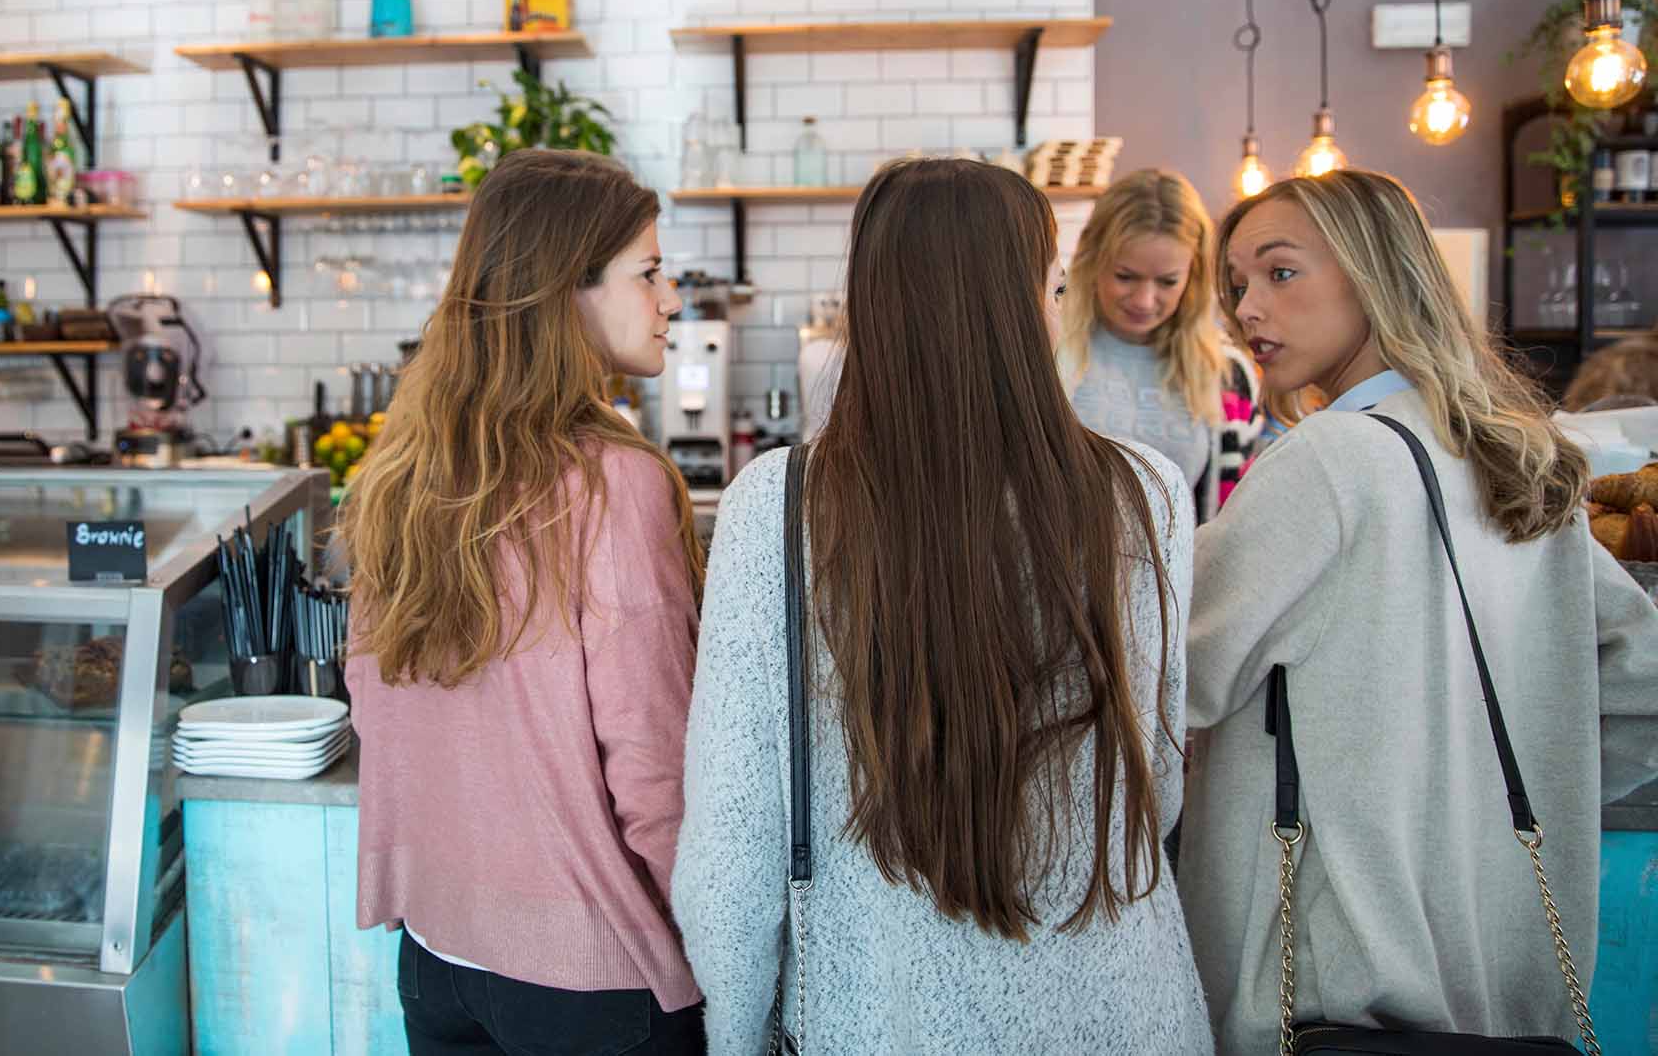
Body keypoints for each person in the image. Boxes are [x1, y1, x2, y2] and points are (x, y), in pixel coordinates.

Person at [674, 157, 1211, 1054]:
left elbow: (734, 840)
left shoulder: (781, 502)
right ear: (1025, 303)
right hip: (1117, 1006)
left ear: (871, 304)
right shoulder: (1146, 491)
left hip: (880, 1010)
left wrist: (733, 1031)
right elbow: (1155, 776)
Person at [1180, 169, 1658, 1054]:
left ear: (1375, 274)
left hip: (1328, 985)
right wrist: (1472, 806)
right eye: (1238, 283)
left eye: (1281, 273)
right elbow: (1642, 687)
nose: (1248, 308)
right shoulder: (1517, 460)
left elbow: (1173, 671)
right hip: (1503, 984)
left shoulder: (1326, 463)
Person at [343, 149, 709, 1055]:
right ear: (565, 290)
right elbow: (656, 768)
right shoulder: (618, 484)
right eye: (650, 273)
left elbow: (375, 708)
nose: (671, 301)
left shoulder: (402, 472)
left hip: (435, 956)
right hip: (592, 979)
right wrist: (725, 955)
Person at [1061, 169, 1264, 523]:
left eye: (1167, 281)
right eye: (1125, 276)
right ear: (1093, 259)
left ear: (1193, 275)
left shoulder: (1229, 376)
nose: (1144, 300)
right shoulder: (1045, 355)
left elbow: (1233, 517)